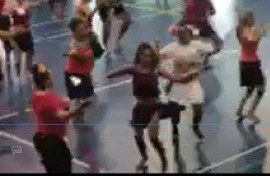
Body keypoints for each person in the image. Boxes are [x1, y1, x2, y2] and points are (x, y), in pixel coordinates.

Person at [107, 42, 195, 172]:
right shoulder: (134, 69)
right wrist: (110, 74)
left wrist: (187, 77)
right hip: (140, 106)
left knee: (153, 136)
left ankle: (163, 157)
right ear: (139, 56)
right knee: (138, 135)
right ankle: (144, 157)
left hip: (155, 107)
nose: (147, 59)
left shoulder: (156, 70)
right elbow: (115, 72)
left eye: (149, 56)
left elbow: (174, 78)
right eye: (144, 56)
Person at [30, 63, 92, 173]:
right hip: (53, 143)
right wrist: (78, 109)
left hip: (42, 141)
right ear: (47, 79)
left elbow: (50, 112)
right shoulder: (50, 98)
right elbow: (63, 116)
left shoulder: (35, 97)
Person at [159, 25, 214, 141]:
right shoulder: (172, 47)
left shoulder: (196, 45)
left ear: (189, 35)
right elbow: (159, 56)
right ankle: (174, 128)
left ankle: (195, 126)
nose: (182, 36)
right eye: (180, 34)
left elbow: (211, 48)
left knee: (198, 107)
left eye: (185, 34)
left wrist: (201, 38)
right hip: (178, 81)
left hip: (192, 82)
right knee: (175, 109)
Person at [179, 0, 223, 67]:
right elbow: (213, 12)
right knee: (219, 43)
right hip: (203, 27)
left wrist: (181, 24)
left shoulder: (189, 1)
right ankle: (205, 57)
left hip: (191, 28)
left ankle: (196, 59)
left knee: (189, 44)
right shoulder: (205, 0)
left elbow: (185, 17)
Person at [235, 11, 268, 123]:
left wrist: (261, 33)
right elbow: (254, 40)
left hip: (243, 63)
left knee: (250, 88)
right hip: (252, 63)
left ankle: (240, 109)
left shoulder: (240, 31)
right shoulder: (252, 31)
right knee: (261, 88)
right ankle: (251, 112)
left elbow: (251, 41)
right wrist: (262, 32)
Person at [64, 17, 96, 122]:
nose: (84, 31)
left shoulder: (89, 39)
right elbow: (82, 59)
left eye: (84, 28)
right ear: (74, 33)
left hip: (85, 74)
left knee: (88, 98)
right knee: (80, 97)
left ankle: (77, 113)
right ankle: (76, 115)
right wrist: (77, 54)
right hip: (73, 75)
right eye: (81, 30)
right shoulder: (74, 45)